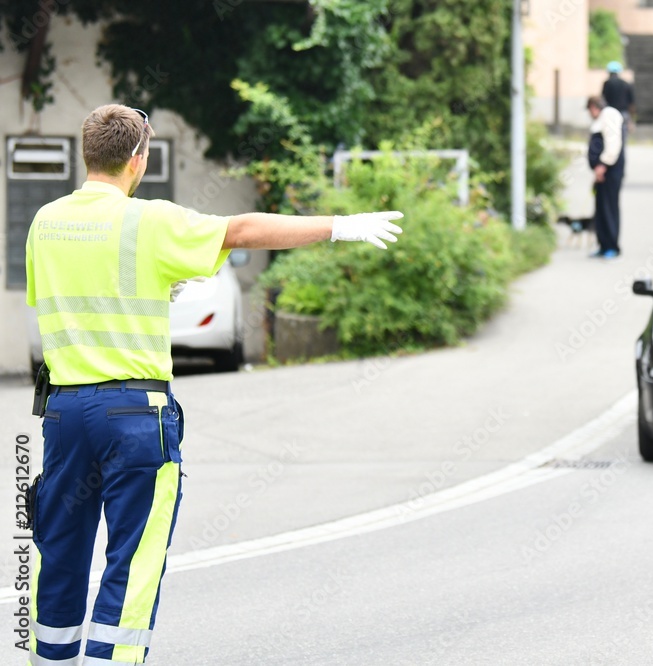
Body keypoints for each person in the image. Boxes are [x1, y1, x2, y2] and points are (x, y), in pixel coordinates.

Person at [24, 104, 403, 665]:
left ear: (87, 155)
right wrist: (340, 225)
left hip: (63, 416)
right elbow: (242, 229)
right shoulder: (146, 220)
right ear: (139, 159)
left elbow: (73, 301)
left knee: (57, 553)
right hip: (133, 416)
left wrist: (152, 293)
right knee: (132, 561)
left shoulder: (45, 222)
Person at [586, 95, 625, 259]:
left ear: (594, 107)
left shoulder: (609, 114)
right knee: (600, 208)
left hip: (610, 171)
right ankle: (603, 245)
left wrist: (603, 165)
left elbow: (613, 143)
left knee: (609, 207)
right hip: (602, 171)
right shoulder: (602, 118)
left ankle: (612, 246)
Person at [601, 61, 635, 134]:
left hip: (611, 112)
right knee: (623, 132)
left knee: (612, 134)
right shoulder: (626, 84)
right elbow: (631, 101)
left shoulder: (607, 83)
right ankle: (622, 145)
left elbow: (603, 99)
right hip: (624, 112)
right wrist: (631, 117)